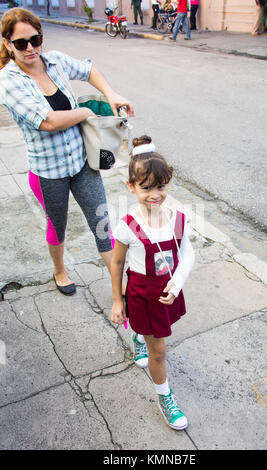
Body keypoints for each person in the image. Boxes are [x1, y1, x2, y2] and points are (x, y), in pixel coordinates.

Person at [0, 8, 134, 296]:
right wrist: (85, 111)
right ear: (8, 44)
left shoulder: (55, 61)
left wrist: (111, 94)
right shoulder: (8, 81)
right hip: (48, 173)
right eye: (21, 43)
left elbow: (89, 70)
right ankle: (59, 270)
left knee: (101, 222)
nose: (31, 49)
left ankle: (119, 286)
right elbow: (47, 121)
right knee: (57, 226)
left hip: (82, 163)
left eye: (36, 40)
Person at [110, 136, 195, 430]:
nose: (154, 194)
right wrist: (118, 300)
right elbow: (118, 263)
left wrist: (177, 282)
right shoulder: (127, 225)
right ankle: (165, 396)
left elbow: (187, 252)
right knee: (159, 351)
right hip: (142, 294)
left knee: (151, 336)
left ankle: (139, 337)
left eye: (160, 186)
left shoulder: (179, 219)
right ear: (131, 187)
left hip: (167, 291)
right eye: (146, 188)